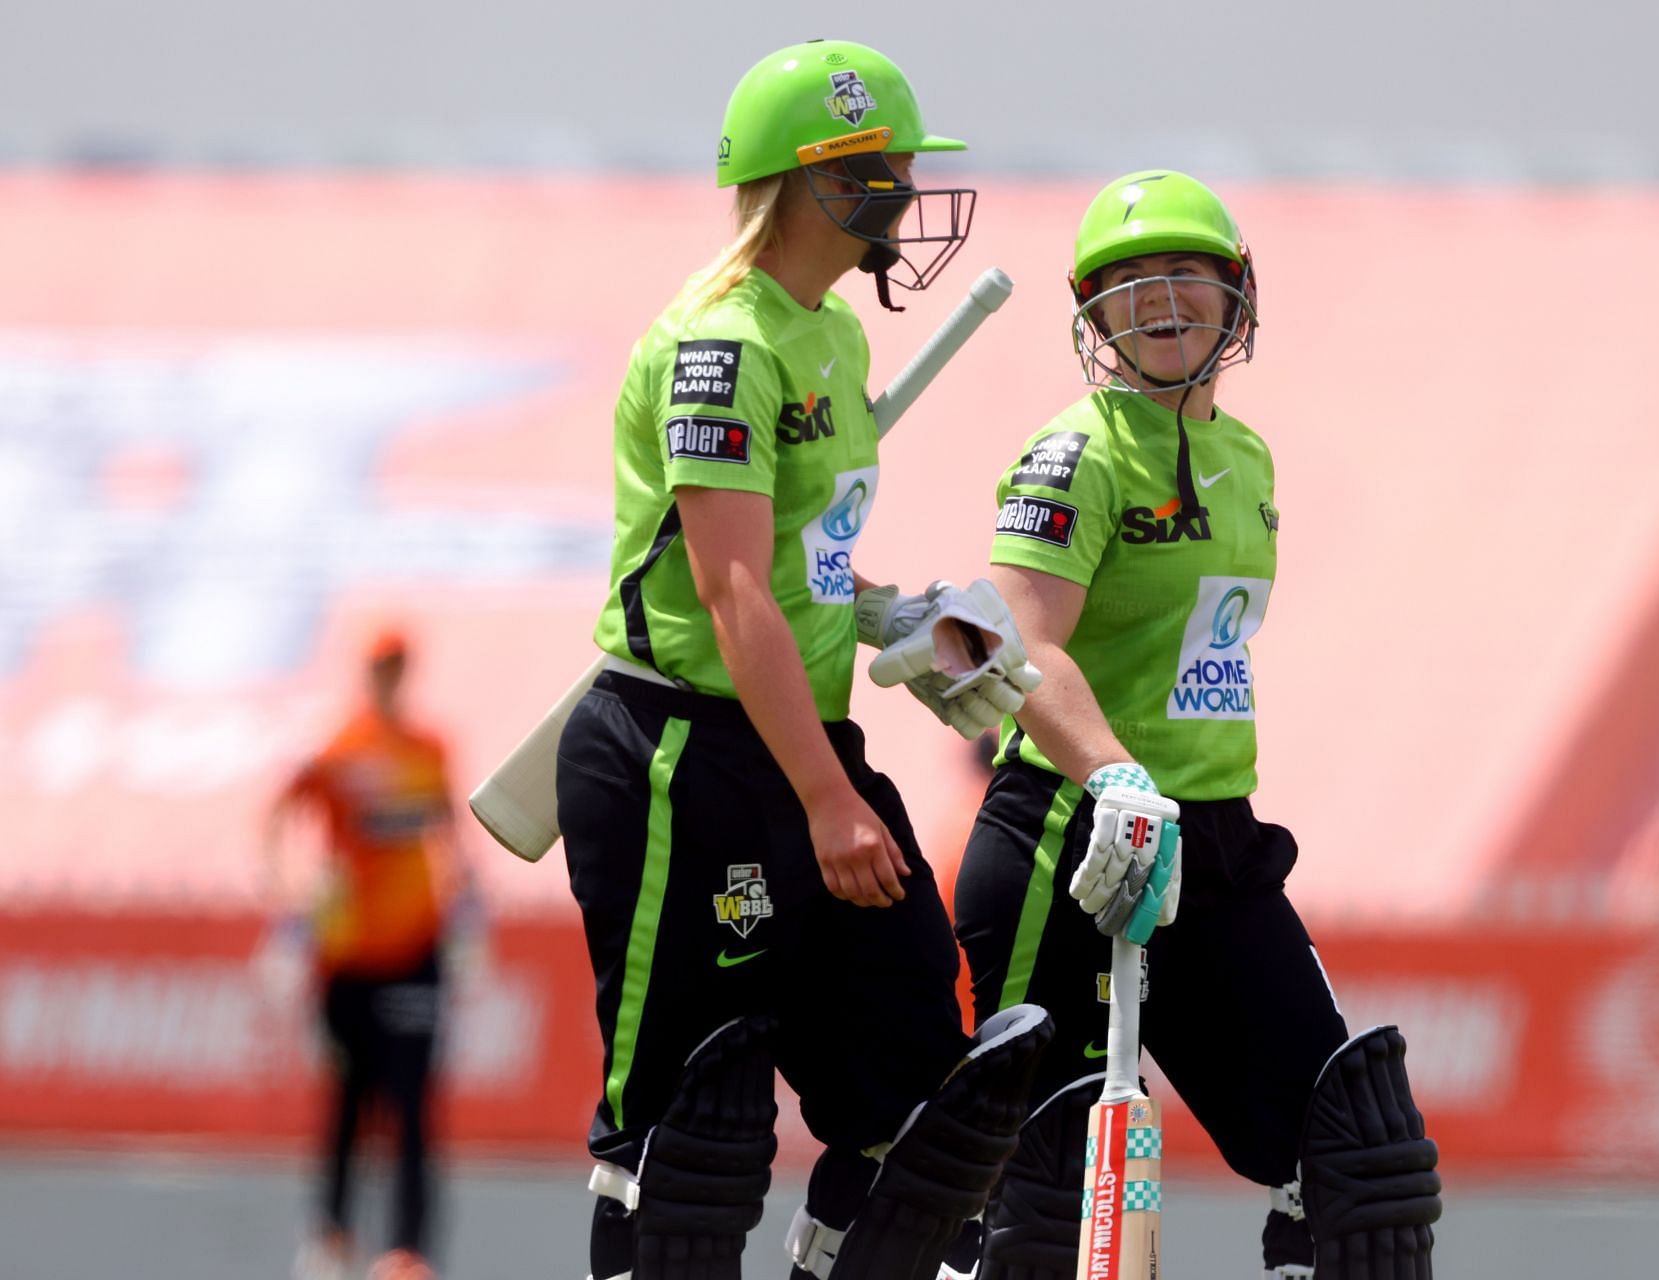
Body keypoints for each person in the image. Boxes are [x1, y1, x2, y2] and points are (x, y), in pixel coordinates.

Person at [555, 39, 1051, 1280]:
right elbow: (730, 592)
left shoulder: (831, 338)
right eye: (882, 169)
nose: (904, 191)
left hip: (799, 737)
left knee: (923, 1098)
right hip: (682, 752)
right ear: (812, 180)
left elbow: (804, 572)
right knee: (688, 1130)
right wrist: (830, 799)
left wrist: (914, 620)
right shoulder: (720, 344)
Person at [951, 171, 1443, 1279]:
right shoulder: (1072, 454)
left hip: (1213, 839)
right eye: (1129, 285)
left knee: (1362, 1161)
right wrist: (1121, 778)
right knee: (1045, 1204)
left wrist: (1171, 798)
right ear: (1092, 316)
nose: (1161, 302)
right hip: (1072, 835)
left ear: (1238, 298)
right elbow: (1017, 642)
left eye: (1186, 276)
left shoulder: (1253, 459)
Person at [265, 627, 474, 1280]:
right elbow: (278, 813)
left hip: (416, 948)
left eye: (398, 666)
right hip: (348, 958)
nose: (390, 676)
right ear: (367, 671)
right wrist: (293, 897)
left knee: (413, 1107)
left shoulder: (430, 748)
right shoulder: (337, 747)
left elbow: (449, 836)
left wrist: (468, 910)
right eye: (381, 666)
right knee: (349, 1104)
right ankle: (330, 1237)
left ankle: (407, 1251)